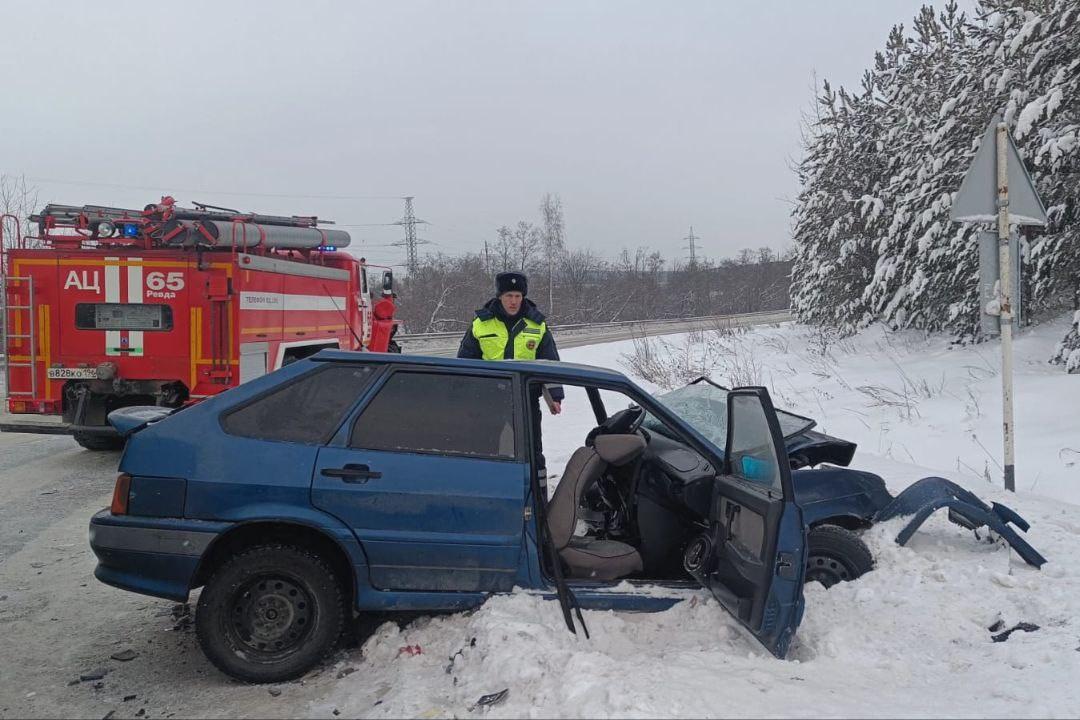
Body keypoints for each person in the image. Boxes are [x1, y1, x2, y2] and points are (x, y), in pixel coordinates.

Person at [458, 271, 564, 478]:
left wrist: (555, 396)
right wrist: (464, 395)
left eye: (517, 296)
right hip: (489, 398)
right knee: (484, 449)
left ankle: (537, 497)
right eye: (508, 296)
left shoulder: (537, 324)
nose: (513, 301)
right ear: (499, 296)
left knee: (532, 450)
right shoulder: (481, 324)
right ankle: (487, 489)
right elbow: (465, 361)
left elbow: (550, 362)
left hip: (525, 397)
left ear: (523, 297)